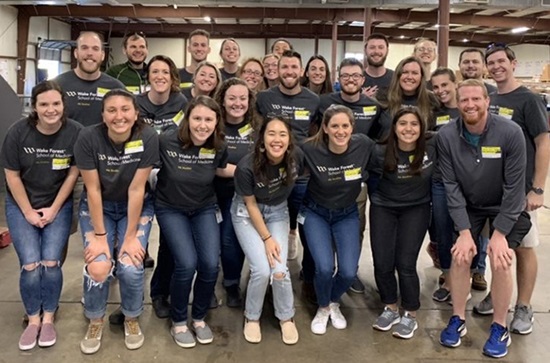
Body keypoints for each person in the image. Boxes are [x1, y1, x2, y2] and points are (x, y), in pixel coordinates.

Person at [438, 79, 530, 359]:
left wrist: (500, 234)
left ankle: (500, 325)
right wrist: (465, 232)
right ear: (457, 102)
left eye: (476, 99)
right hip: (470, 204)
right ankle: (457, 319)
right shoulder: (446, 136)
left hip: (504, 204)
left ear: (488, 101)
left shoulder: (511, 132)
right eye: (464, 100)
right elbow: (450, 185)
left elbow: (515, 188)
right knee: (460, 256)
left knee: (501, 259)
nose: (470, 105)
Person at [75, 89, 159, 354]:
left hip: (134, 205)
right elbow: (93, 189)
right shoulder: (88, 137)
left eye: (125, 109)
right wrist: (100, 237)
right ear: (103, 115)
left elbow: (137, 189)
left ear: (136, 114)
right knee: (99, 266)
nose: (118, 116)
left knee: (131, 265)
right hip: (98, 205)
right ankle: (96, 318)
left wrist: (131, 236)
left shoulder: (147, 136)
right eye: (111, 110)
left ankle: (131, 317)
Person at [473, 44, 550, 335]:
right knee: (498, 247)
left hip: (520, 190)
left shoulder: (528, 100)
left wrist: (538, 189)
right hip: (492, 191)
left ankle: (525, 306)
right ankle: (498, 293)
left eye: (501, 61)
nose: (495, 67)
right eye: (490, 63)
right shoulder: (489, 96)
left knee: (523, 248)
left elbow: (543, 142)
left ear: (513, 63)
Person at [1, 80, 82, 351]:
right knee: (31, 264)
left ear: (63, 105)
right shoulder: (17, 133)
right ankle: (33, 320)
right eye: (44, 104)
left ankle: (49, 317)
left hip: (57, 204)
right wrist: (27, 212)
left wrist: (55, 208)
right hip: (21, 204)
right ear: (34, 107)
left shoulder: (75, 132)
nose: (51, 109)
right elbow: (11, 176)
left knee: (50, 262)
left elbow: (73, 172)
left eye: (56, 103)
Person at [155, 96, 231, 349]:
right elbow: (147, 168)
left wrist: (253, 170)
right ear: (187, 120)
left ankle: (198, 318)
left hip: (204, 208)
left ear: (217, 122)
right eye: (197, 118)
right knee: (186, 264)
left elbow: (220, 170)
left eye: (209, 119)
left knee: (210, 264)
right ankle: (178, 321)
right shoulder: (166, 140)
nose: (202, 125)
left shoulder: (219, 146)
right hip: (170, 209)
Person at [300, 105, 374, 335]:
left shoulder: (364, 145)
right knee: (323, 268)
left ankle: (332, 300)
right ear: (325, 128)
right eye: (334, 126)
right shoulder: (309, 149)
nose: (340, 131)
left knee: (348, 272)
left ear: (353, 127)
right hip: (315, 213)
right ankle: (322, 308)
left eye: (345, 126)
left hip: (347, 214)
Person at [256, 49, 320, 302]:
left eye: (295, 67)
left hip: (301, 175)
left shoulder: (314, 100)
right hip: (271, 174)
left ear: (302, 71)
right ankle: (270, 276)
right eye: (285, 67)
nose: (290, 72)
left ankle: (309, 277)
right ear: (277, 70)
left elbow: (320, 131)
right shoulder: (263, 98)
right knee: (272, 227)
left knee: (307, 226)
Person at [231, 115, 301, 345]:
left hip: (278, 211)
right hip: (247, 213)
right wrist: (268, 238)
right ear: (262, 140)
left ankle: (286, 316)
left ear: (289, 140)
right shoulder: (246, 167)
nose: (277, 139)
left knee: (279, 268)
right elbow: (250, 205)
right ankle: (252, 317)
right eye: (271, 133)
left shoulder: (294, 160)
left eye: (282, 134)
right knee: (261, 269)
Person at [369, 107, 435, 339]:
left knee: (405, 263)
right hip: (383, 207)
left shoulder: (432, 145)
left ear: (422, 128)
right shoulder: (378, 151)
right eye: (403, 123)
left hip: (416, 209)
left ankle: (410, 313)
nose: (408, 129)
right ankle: (390, 307)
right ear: (394, 128)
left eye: (414, 124)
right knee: (382, 261)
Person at [319, 57, 382, 294]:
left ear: (362, 79)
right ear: (338, 79)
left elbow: (378, 138)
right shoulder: (324, 102)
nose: (350, 80)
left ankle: (350, 271)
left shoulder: (373, 106)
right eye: (345, 76)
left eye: (355, 76)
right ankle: (323, 269)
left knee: (355, 227)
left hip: (357, 180)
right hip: (326, 175)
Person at [136, 54, 188, 319]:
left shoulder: (182, 103)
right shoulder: (135, 104)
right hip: (138, 177)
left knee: (168, 241)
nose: (160, 77)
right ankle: (130, 305)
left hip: (170, 176)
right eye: (155, 72)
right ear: (148, 76)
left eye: (165, 72)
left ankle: (159, 293)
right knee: (132, 240)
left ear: (172, 77)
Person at [214, 78, 258, 308]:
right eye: (232, 98)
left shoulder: (256, 126)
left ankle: (232, 283)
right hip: (215, 195)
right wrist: (243, 170)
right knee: (223, 242)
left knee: (234, 242)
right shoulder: (213, 124)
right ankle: (228, 282)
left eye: (243, 98)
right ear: (222, 99)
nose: (237, 103)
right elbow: (212, 164)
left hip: (247, 196)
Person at [429, 68, 460, 303]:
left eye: (445, 85)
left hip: (469, 182)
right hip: (440, 179)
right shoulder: (434, 111)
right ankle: (448, 279)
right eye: (436, 87)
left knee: (468, 232)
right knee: (443, 231)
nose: (441, 91)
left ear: (454, 83)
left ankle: (468, 278)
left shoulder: (469, 107)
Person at [55, 31, 125, 127]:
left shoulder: (116, 88)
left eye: (95, 49)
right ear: (76, 53)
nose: (90, 53)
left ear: (102, 55)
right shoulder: (57, 85)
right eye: (84, 48)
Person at [376, 56, 439, 142]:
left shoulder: (431, 100)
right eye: (405, 72)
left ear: (421, 77)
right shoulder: (383, 97)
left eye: (415, 73)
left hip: (420, 152)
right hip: (386, 151)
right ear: (398, 75)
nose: (409, 77)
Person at [362, 33, 394, 99]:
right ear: (365, 51)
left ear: (387, 51)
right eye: (372, 47)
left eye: (381, 47)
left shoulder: (396, 78)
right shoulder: (357, 79)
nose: (376, 51)